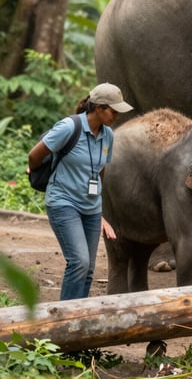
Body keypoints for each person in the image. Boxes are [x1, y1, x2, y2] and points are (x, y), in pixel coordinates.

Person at [27, 83, 134, 300]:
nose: (117, 116)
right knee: (79, 262)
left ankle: (79, 314)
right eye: (113, 111)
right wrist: (37, 172)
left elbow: (100, 170)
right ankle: (65, 316)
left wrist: (99, 210)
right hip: (63, 202)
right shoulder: (69, 127)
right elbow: (34, 156)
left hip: (91, 208)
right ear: (99, 108)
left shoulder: (108, 135)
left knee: (88, 269)